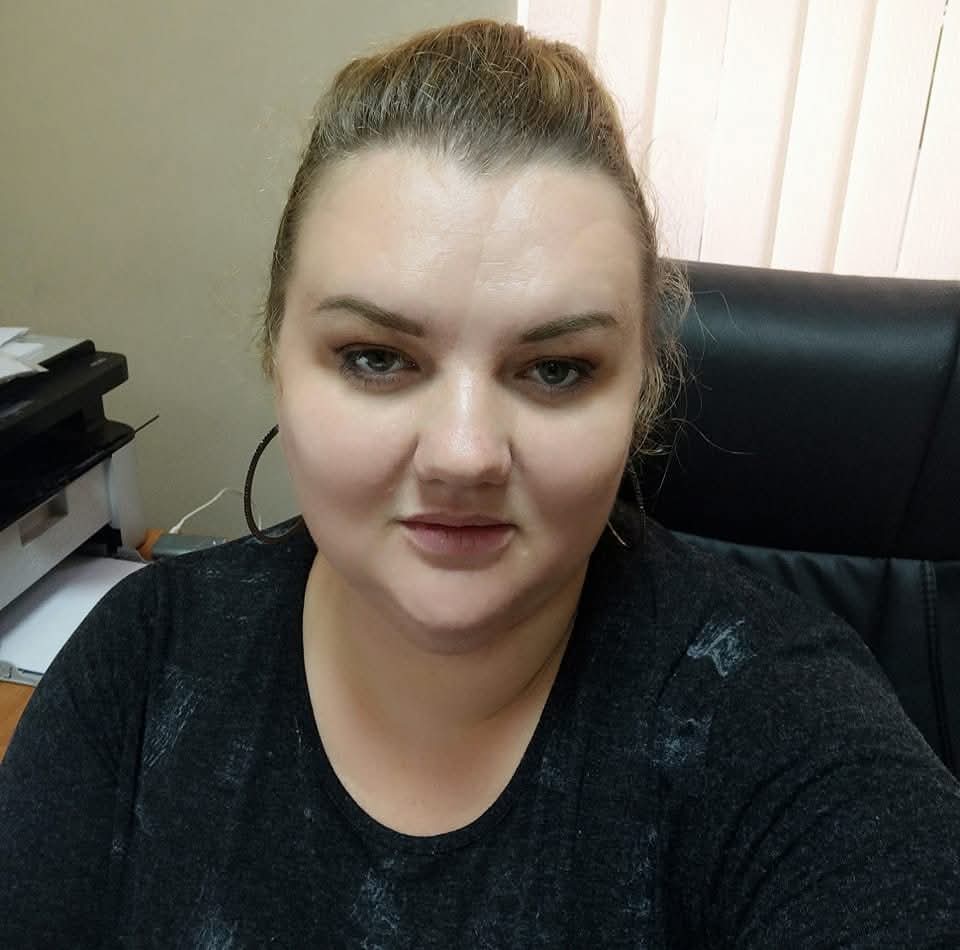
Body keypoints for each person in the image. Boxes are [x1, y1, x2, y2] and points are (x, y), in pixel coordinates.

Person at [2, 18, 960, 948]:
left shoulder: (784, 732)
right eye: (378, 358)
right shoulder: (144, 662)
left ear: (643, 394)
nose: (464, 456)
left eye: (556, 370)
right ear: (276, 358)